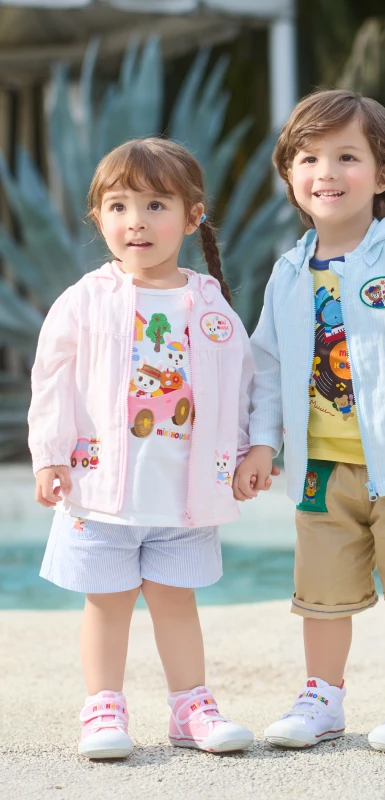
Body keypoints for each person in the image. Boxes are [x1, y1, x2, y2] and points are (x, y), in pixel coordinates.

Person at [233, 90, 385, 755]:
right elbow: (266, 368)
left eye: (347, 157)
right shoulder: (287, 274)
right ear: (290, 175)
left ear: (382, 173)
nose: (327, 173)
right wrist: (261, 443)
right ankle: (322, 696)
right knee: (321, 593)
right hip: (322, 470)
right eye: (309, 158)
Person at [29, 138, 254, 759]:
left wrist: (248, 452)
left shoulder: (209, 304)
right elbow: (50, 379)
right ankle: (103, 709)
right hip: (100, 491)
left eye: (156, 205)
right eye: (119, 205)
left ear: (192, 216)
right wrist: (50, 454)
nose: (137, 221)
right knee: (107, 605)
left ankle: (191, 709)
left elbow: (240, 383)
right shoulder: (85, 299)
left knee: (176, 603)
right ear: (98, 217)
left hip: (185, 493)